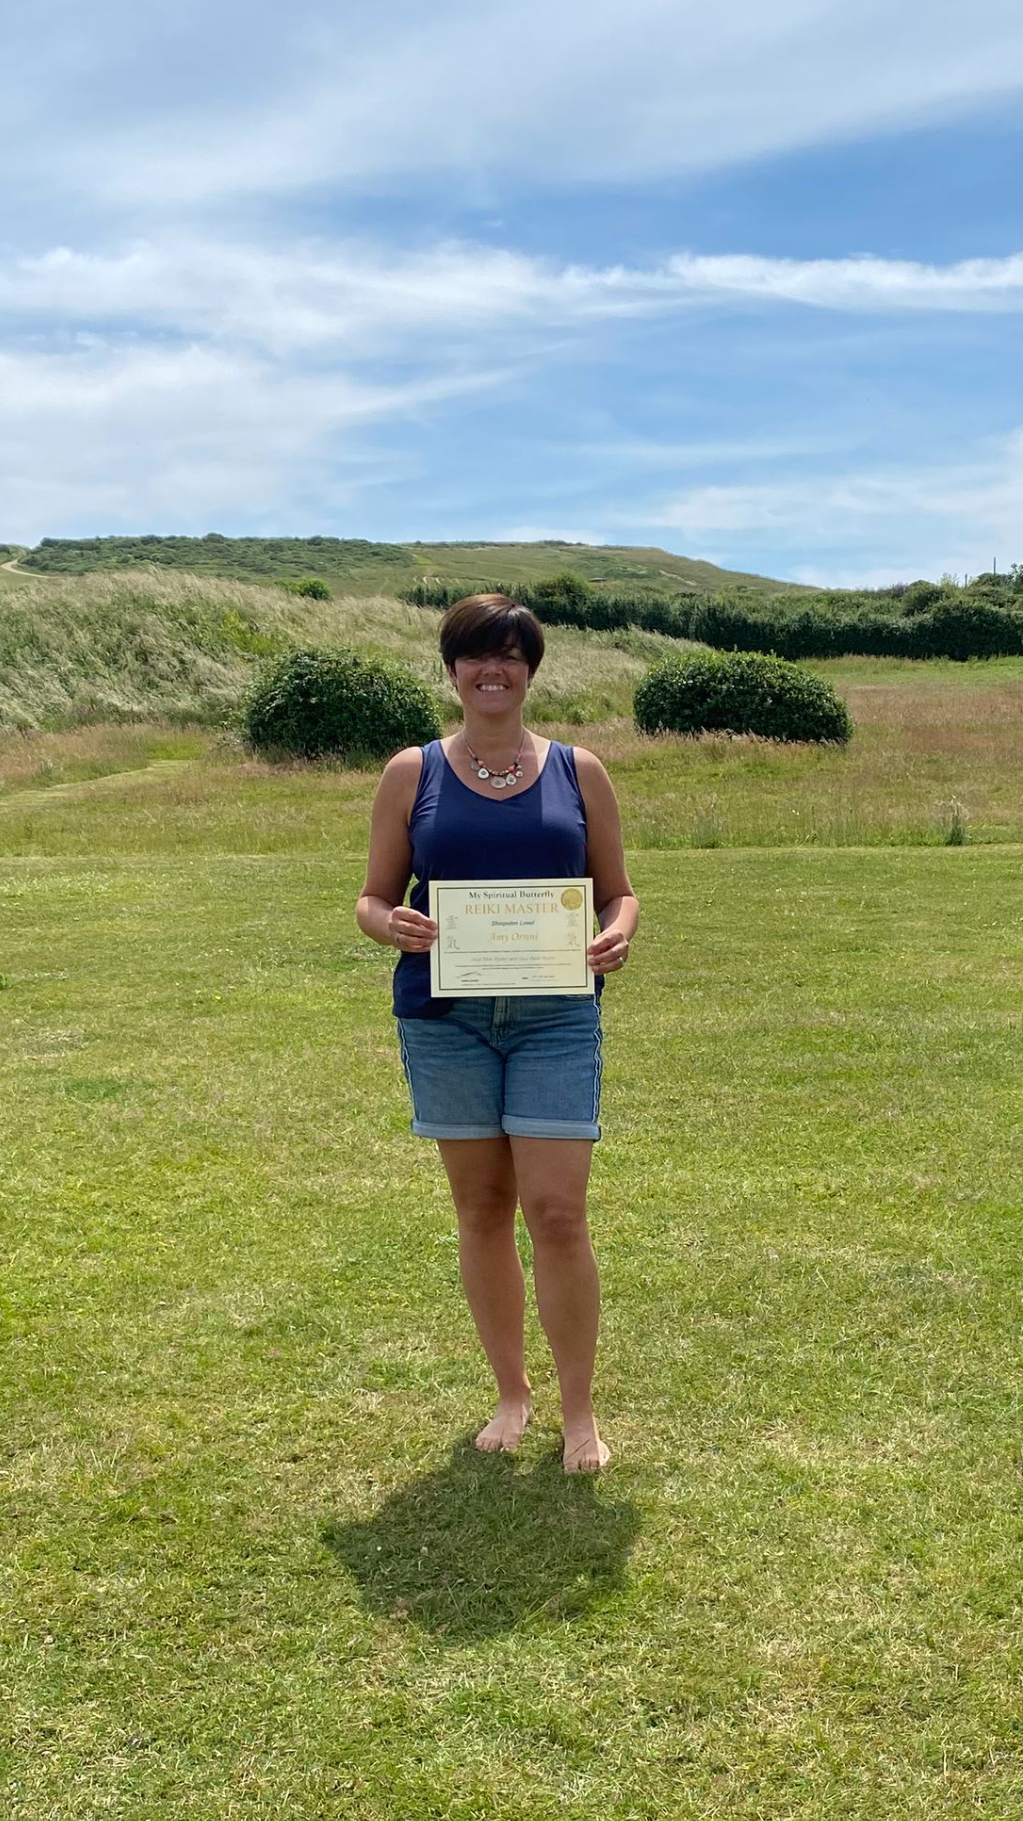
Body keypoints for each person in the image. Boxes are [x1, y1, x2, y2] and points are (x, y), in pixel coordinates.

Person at [357, 593, 640, 1473]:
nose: (493, 670)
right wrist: (387, 925)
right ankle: (511, 1394)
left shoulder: (578, 769)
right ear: (452, 670)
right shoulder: (413, 771)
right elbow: (371, 896)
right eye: (476, 655)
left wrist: (620, 929)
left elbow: (617, 889)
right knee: (481, 1209)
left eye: (510, 656)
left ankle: (578, 1411)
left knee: (557, 1212)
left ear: (529, 670)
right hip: (448, 1019)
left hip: (556, 1014)